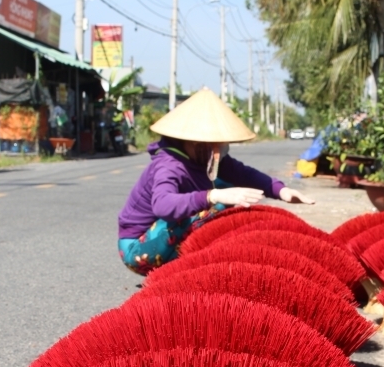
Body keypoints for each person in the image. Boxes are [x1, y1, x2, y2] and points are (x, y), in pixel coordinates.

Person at [118, 88, 314, 275]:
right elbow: (163, 205)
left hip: (161, 238)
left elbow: (244, 174)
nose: (222, 148)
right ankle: (184, 268)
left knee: (230, 188)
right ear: (198, 143)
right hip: (137, 247)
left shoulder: (205, 158)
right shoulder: (170, 165)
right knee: (217, 202)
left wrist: (281, 191)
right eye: (217, 144)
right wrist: (212, 195)